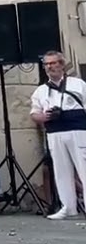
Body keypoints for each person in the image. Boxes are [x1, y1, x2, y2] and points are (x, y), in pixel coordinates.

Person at [30, 50, 86, 220]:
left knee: (84, 168)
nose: (50, 67)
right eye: (46, 64)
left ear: (61, 65)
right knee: (61, 171)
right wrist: (43, 117)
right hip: (54, 132)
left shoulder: (78, 84)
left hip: (77, 129)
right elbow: (34, 113)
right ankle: (68, 207)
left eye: (53, 63)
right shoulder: (41, 91)